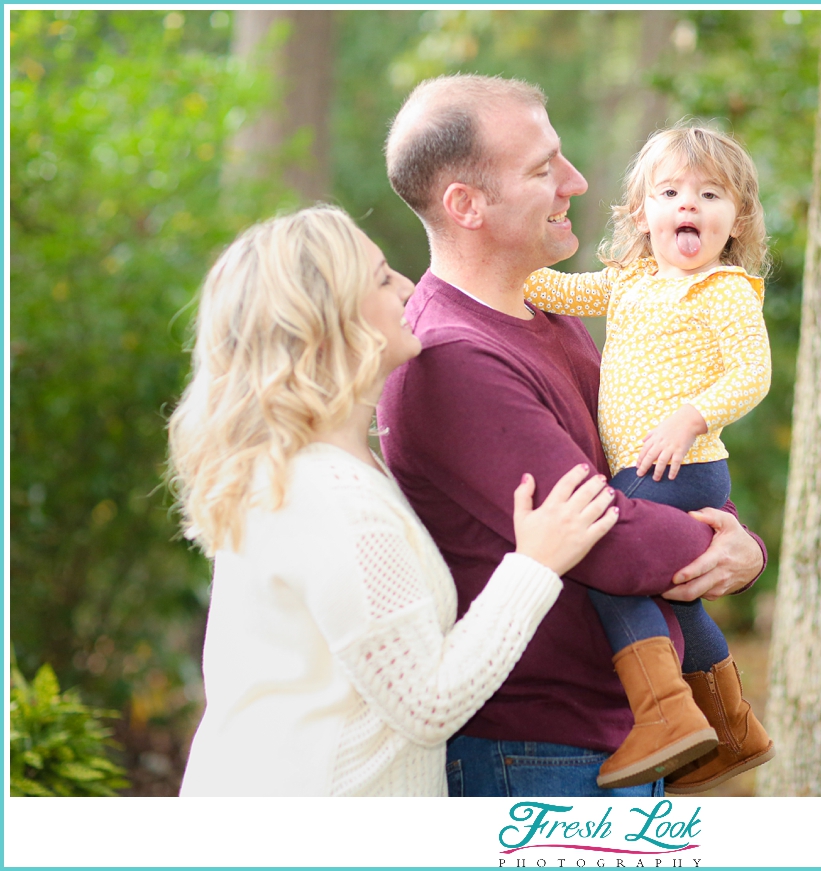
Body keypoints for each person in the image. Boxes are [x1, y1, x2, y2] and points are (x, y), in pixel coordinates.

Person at [379, 74, 767, 798]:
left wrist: (739, 537)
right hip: (535, 755)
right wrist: (725, 546)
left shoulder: (549, 314)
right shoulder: (452, 358)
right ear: (466, 204)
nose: (577, 181)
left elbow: (644, 464)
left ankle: (724, 713)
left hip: (615, 742)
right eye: (542, 168)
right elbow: (608, 535)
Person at [169, 205, 620, 796]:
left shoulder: (312, 471)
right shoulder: (330, 500)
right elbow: (428, 704)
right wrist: (534, 566)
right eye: (382, 278)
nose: (407, 286)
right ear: (327, 321)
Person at [521, 122, 775, 794]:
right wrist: (508, 260)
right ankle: (731, 723)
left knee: (612, 565)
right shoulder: (630, 282)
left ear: (736, 217)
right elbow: (555, 291)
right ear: (643, 214)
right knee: (679, 596)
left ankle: (663, 714)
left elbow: (753, 374)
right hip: (644, 464)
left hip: (683, 464)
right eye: (670, 192)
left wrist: (692, 416)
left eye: (709, 194)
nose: (688, 205)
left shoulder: (723, 291)